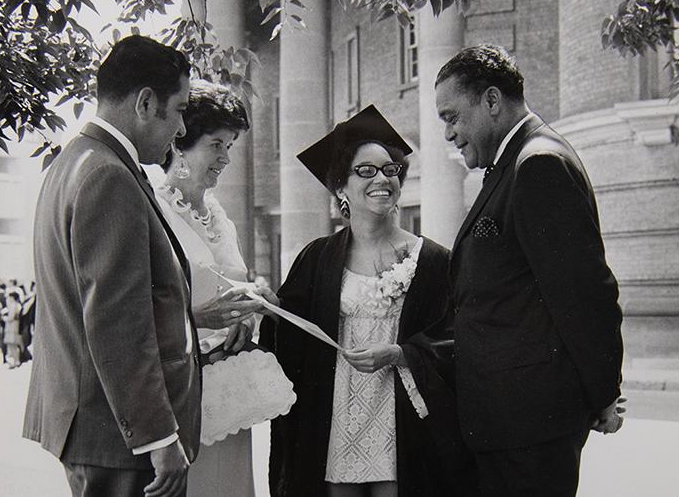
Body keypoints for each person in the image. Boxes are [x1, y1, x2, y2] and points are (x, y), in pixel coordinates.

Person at [434, 44, 625, 496]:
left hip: (529, 431)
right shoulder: (515, 163)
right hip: (509, 425)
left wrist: (603, 394)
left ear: (492, 101)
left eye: (451, 117)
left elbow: (585, 296)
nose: (448, 134)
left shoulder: (537, 164)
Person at [260, 105, 477, 497]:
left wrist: (400, 352)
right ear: (341, 187)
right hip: (338, 417)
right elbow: (290, 336)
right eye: (366, 171)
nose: (382, 179)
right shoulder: (317, 257)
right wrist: (267, 307)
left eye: (390, 169)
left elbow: (458, 338)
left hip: (405, 419)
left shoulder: (433, 261)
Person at [23, 35, 202, 497]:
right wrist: (158, 437)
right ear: (146, 102)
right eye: (180, 109)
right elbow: (118, 320)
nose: (182, 129)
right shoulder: (107, 175)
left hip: (97, 429)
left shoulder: (74, 162)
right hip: (122, 442)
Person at [145, 80, 290, 497]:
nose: (226, 158)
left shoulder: (219, 215)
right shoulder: (153, 209)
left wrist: (252, 309)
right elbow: (136, 310)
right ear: (180, 145)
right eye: (216, 145)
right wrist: (195, 319)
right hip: (180, 394)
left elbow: (232, 284)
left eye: (230, 145)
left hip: (228, 387)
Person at [2, 290, 23, 368]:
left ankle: (16, 361)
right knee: (14, 345)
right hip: (16, 326)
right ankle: (16, 360)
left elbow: (10, 318)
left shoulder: (13, 305)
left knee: (12, 345)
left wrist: (4, 318)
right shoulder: (18, 305)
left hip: (12, 326)